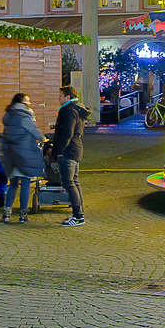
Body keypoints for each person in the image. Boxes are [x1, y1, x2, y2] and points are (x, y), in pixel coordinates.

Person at [0, 93, 44, 225]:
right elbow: (34, 132)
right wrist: (43, 138)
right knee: (25, 183)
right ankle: (23, 215)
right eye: (27, 100)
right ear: (21, 102)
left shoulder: (9, 116)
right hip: (23, 154)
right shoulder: (24, 116)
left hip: (10, 154)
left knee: (12, 184)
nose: (29, 103)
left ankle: (6, 213)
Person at [52, 84, 92, 228]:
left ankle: (78, 216)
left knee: (69, 183)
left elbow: (67, 133)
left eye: (60, 96)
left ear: (67, 97)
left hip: (68, 151)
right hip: (75, 150)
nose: (58, 98)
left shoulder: (69, 111)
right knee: (74, 182)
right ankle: (78, 213)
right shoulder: (76, 109)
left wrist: (60, 150)